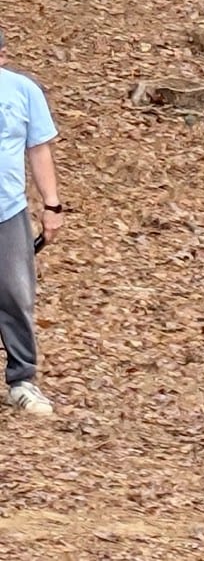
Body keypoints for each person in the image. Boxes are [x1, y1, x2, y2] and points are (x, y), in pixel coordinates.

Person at [0, 27, 64, 417]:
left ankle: (22, 381)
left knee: (16, 296)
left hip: (8, 210)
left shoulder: (24, 92)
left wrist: (52, 205)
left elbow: (38, 149)